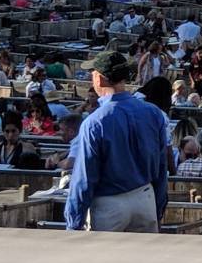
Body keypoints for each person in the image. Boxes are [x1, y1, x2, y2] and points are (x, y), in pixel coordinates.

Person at [63, 50, 171, 233]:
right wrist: (158, 206)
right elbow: (162, 168)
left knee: (108, 261)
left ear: (99, 79)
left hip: (109, 204)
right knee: (145, 260)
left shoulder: (94, 122)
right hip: (145, 198)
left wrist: (74, 222)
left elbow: (84, 178)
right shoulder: (153, 113)